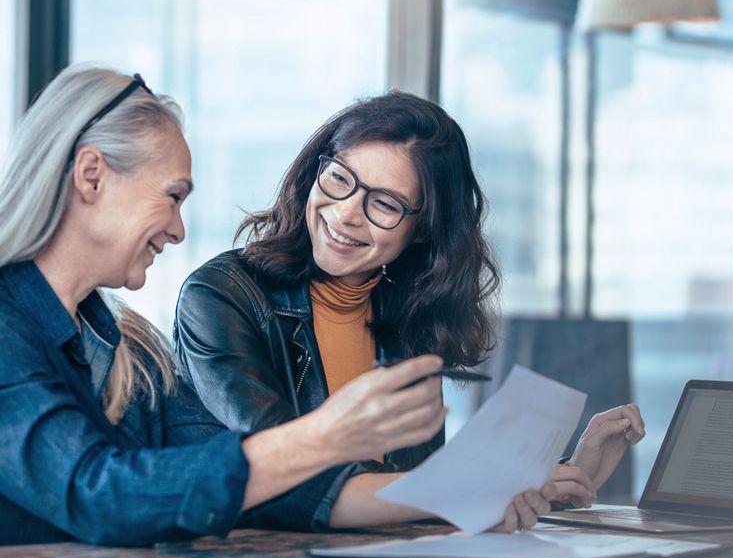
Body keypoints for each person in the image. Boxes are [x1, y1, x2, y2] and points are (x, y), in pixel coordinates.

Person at [0, 65, 635, 558]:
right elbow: (99, 492)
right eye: (173, 196)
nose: (181, 230)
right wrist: (327, 438)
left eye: (386, 204)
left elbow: (264, 490)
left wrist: (482, 489)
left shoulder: (128, 345)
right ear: (91, 176)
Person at [174, 90, 646, 531]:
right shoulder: (222, 295)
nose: (345, 213)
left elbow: (418, 490)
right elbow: (282, 472)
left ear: (422, 231)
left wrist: (557, 479)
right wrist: (477, 491)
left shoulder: (409, 316)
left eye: (384, 204)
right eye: (339, 178)